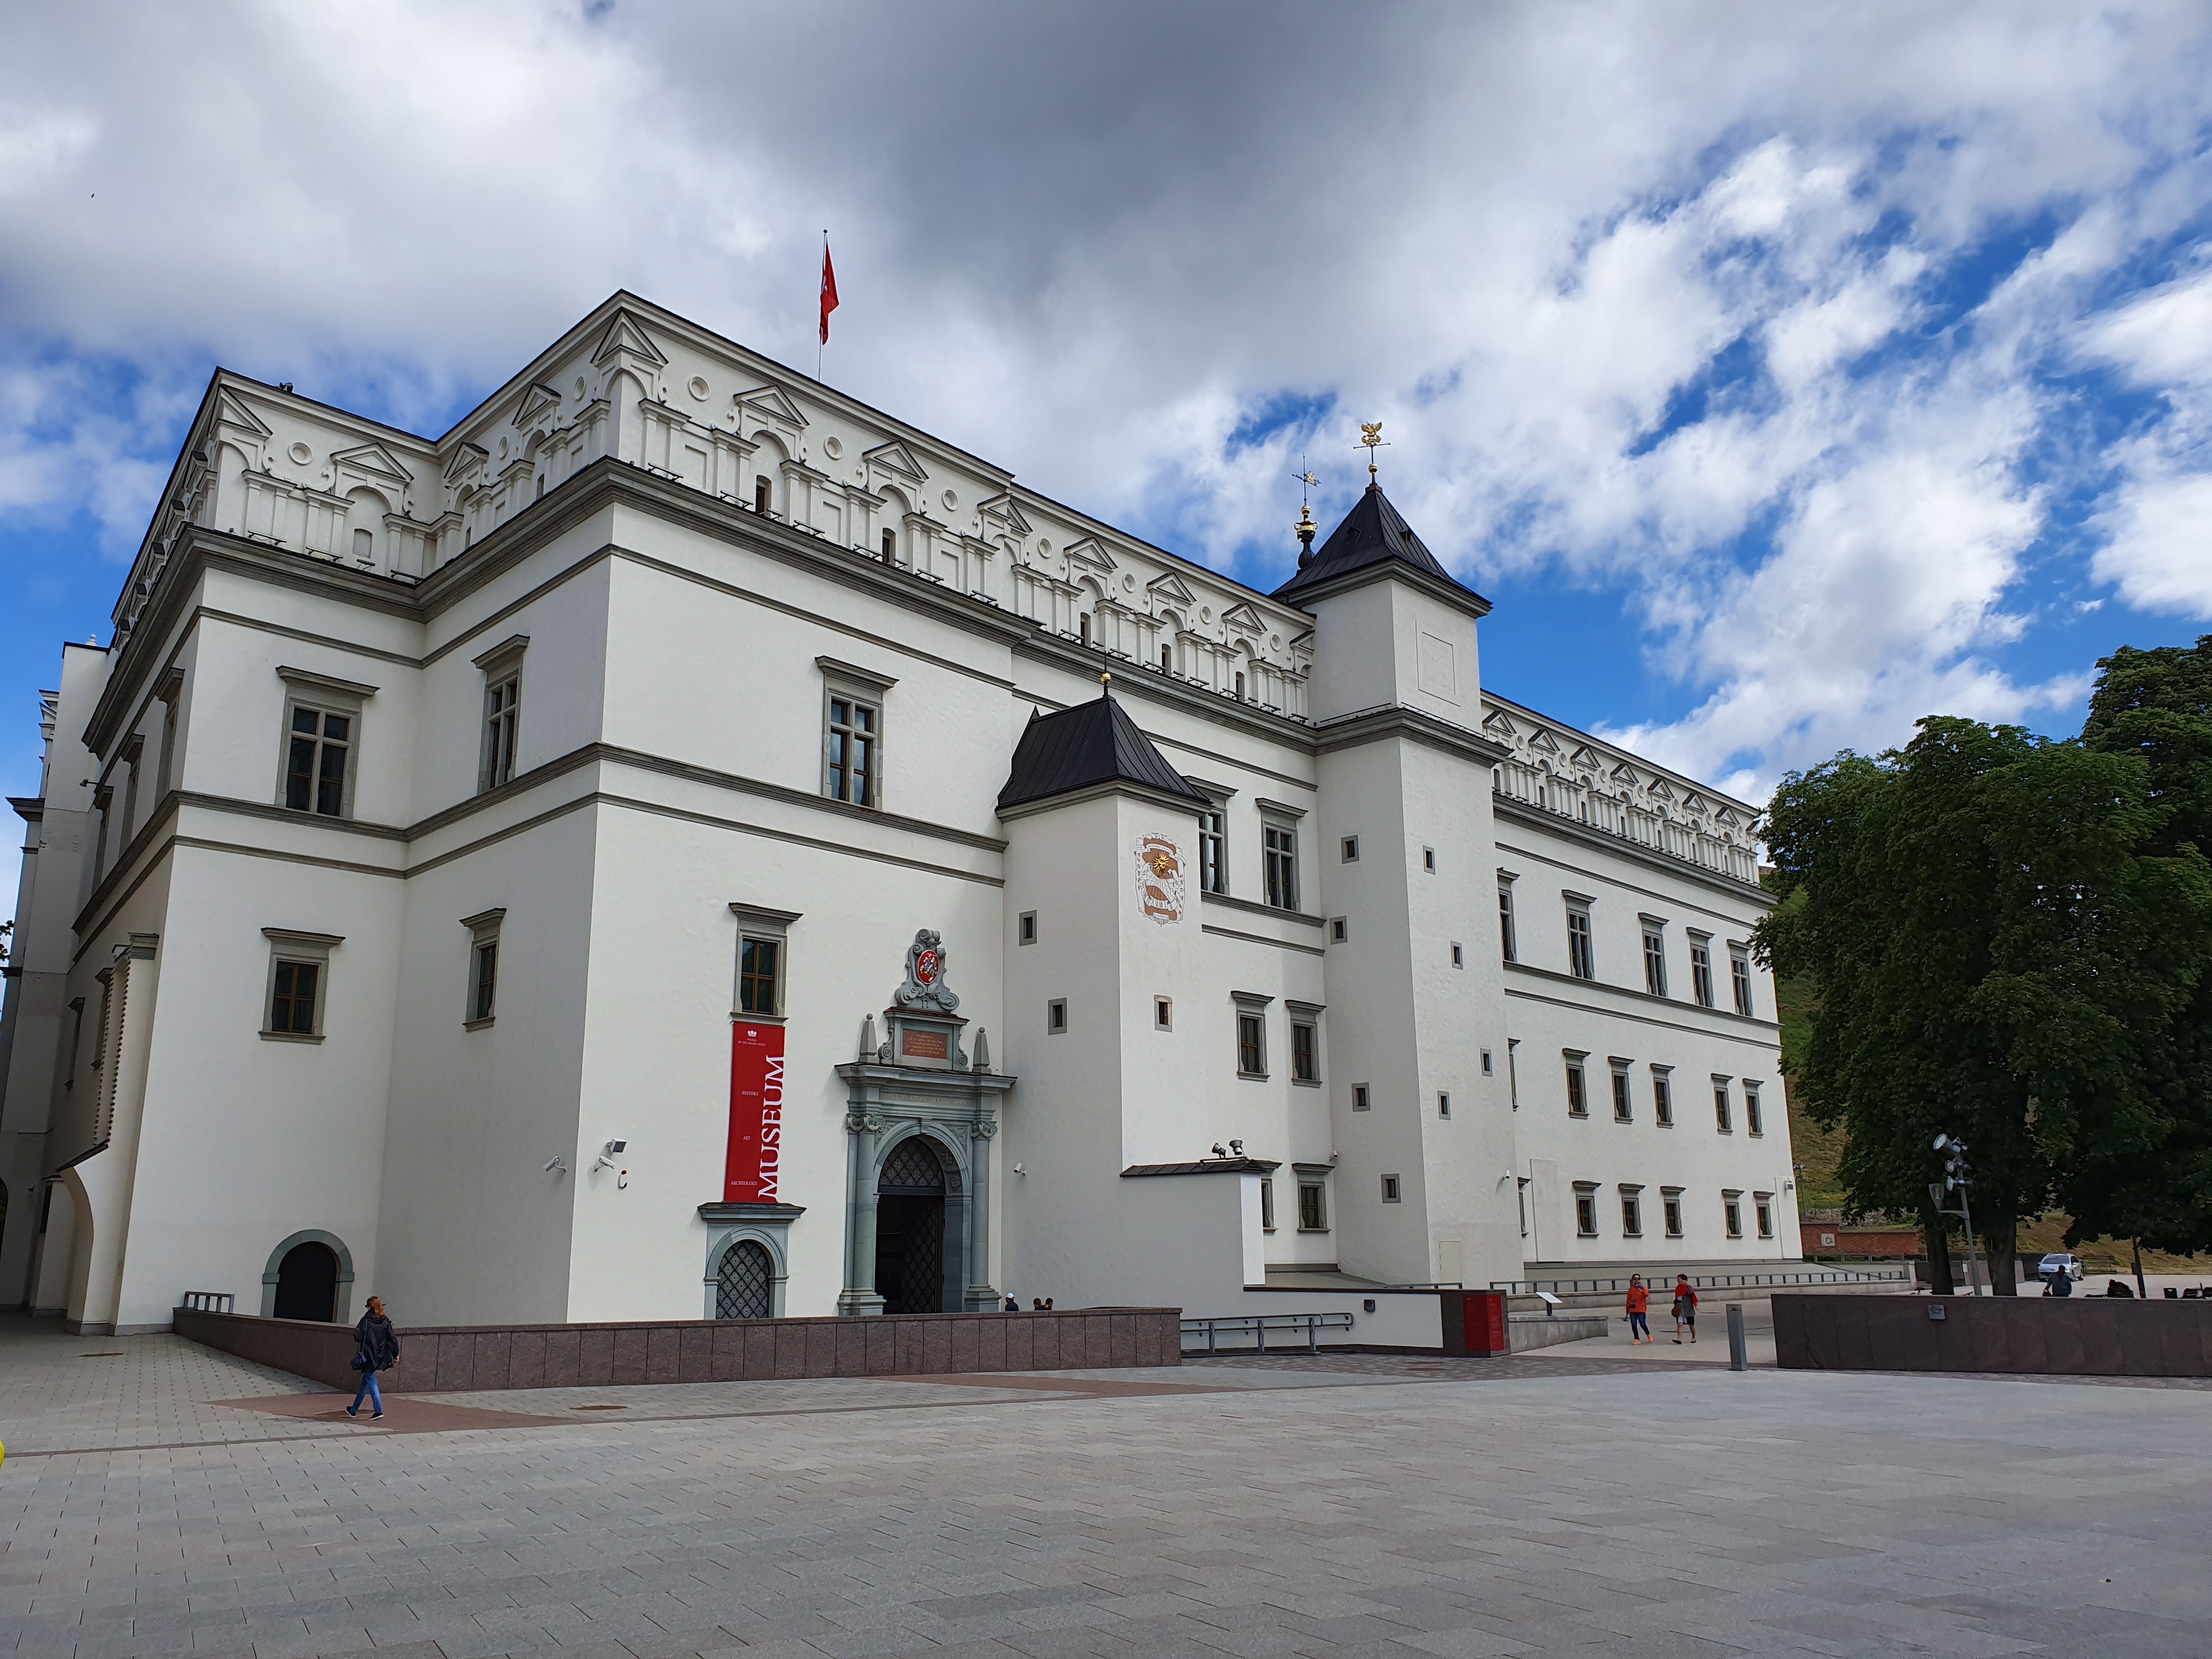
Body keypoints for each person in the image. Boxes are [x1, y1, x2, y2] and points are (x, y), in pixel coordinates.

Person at [347, 1296, 399, 1418]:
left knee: (371, 1381)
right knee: (364, 1383)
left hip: (367, 1355)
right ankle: (354, 1410)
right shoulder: (385, 1320)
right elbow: (392, 1340)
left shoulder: (366, 1320)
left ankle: (379, 1410)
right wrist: (395, 1355)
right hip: (380, 1355)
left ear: (370, 1307)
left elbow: (358, 1337)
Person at [1670, 1274, 1698, 1344]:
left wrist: (1687, 1286)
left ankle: (1694, 1337)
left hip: (1688, 1309)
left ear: (1684, 1280)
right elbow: (1677, 1297)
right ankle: (1679, 1339)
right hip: (1680, 1308)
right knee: (1680, 1324)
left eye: (1679, 1279)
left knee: (1691, 1325)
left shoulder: (1688, 1287)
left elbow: (1691, 1293)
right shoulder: (1678, 1288)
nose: (1678, 1281)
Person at [1625, 1274, 1651, 1344]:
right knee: (1634, 1325)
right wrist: (1627, 1308)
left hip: (1641, 1309)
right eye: (1635, 1279)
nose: (1637, 1280)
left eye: (1638, 1278)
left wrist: (1642, 1291)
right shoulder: (1631, 1290)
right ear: (1633, 1280)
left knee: (1642, 1324)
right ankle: (1637, 1339)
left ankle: (1648, 1334)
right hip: (1633, 1309)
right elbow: (1629, 1299)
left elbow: (1646, 1295)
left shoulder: (1643, 1288)